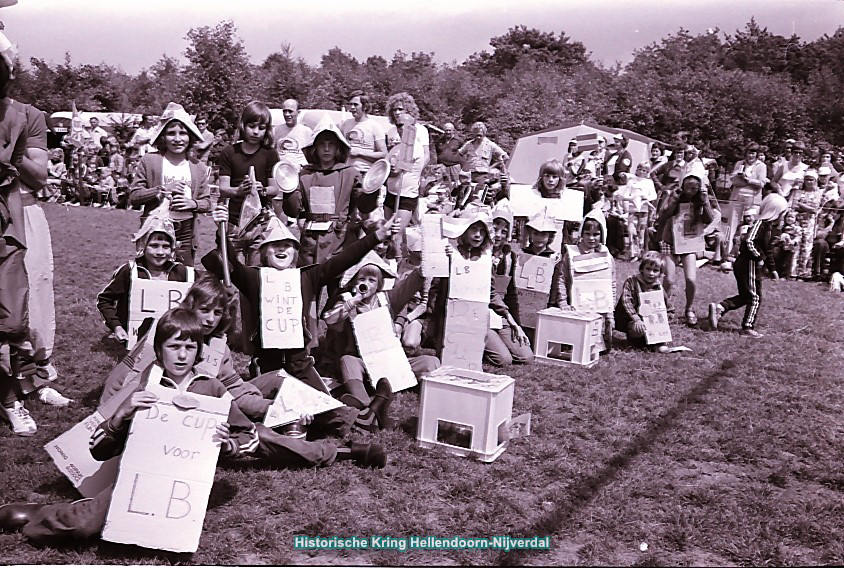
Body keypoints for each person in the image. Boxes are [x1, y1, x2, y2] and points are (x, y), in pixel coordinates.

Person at [0, 308, 386, 546]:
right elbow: (99, 451)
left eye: (189, 347)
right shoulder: (144, 388)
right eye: (173, 347)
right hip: (139, 476)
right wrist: (122, 416)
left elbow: (244, 437)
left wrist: (230, 446)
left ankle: (345, 449)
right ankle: (39, 514)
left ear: (199, 351)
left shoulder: (212, 388)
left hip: (185, 484)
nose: (181, 355)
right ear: (160, 350)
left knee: (265, 439)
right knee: (84, 528)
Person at [203, 206, 399, 387]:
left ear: (295, 253)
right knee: (274, 411)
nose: (281, 249)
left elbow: (344, 259)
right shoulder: (253, 278)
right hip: (267, 363)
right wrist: (222, 229)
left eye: (287, 245)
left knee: (327, 410)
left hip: (300, 363)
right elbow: (232, 264)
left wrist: (377, 236)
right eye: (275, 245)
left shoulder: (307, 277)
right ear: (264, 253)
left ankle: (366, 413)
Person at [321, 253, 439, 430]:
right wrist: (353, 301)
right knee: (347, 361)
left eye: (371, 280)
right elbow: (330, 320)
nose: (366, 284)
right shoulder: (346, 301)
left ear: (378, 284)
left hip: (390, 363)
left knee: (431, 362)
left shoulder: (387, 299)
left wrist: (431, 258)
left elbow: (411, 282)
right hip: (362, 364)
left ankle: (433, 401)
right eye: (362, 279)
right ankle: (366, 405)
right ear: (353, 281)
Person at [283, 116, 378, 267]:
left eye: (331, 145)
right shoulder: (305, 175)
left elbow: (364, 206)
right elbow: (292, 210)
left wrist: (373, 188)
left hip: (339, 239)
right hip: (310, 240)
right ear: (315, 147)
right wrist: (287, 190)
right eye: (322, 145)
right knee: (308, 282)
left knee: (337, 282)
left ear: (338, 147)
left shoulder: (350, 174)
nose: (326, 149)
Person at [128, 103, 211, 266]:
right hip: (155, 230)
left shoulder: (198, 166)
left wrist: (192, 203)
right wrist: (161, 190)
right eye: (171, 133)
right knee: (152, 276)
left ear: (191, 137)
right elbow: (135, 196)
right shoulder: (150, 161)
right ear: (163, 137)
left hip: (186, 232)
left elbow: (207, 202)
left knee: (183, 277)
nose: (178, 139)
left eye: (183, 133)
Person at [96, 211, 193, 344]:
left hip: (171, 340)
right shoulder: (129, 271)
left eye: (166, 247)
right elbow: (105, 300)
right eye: (154, 246)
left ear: (172, 249)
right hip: (133, 339)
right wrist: (117, 327)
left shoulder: (182, 272)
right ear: (143, 246)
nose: (160, 252)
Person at [708, 193, 789, 338]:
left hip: (749, 264)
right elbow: (749, 241)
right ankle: (747, 327)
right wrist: (759, 257)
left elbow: (768, 250)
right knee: (755, 297)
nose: (783, 216)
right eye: (782, 213)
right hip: (748, 264)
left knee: (746, 296)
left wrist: (773, 269)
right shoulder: (761, 225)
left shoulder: (770, 228)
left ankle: (720, 308)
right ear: (774, 212)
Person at [217, 101, 279, 264]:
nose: (256, 132)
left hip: (261, 223)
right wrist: (238, 191)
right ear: (243, 125)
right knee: (234, 271)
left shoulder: (270, 154)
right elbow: (222, 188)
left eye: (261, 128)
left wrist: (263, 189)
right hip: (234, 222)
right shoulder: (229, 152)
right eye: (252, 126)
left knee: (256, 273)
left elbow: (275, 189)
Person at [653, 172, 716, 325]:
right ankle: (665, 308)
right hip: (670, 242)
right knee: (668, 279)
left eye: (694, 188)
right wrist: (674, 198)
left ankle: (689, 308)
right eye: (687, 188)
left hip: (689, 243)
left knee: (691, 279)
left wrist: (705, 200)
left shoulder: (700, 201)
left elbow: (710, 219)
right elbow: (664, 215)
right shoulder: (675, 196)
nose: (690, 191)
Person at [556, 210, 616, 351]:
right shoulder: (571, 254)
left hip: (598, 306)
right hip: (575, 304)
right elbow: (562, 279)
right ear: (581, 234)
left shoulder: (607, 256)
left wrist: (610, 312)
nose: (591, 238)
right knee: (575, 344)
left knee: (594, 346)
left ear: (602, 235)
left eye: (596, 234)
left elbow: (611, 284)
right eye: (587, 234)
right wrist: (563, 302)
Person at [488, 204, 533, 366]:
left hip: (501, 315)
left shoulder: (510, 257)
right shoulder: (478, 254)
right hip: (481, 314)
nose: (498, 235)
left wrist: (517, 325)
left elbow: (511, 294)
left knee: (525, 356)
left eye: (504, 231)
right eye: (495, 229)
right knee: (504, 359)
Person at [385, 93, 430, 235]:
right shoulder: (391, 131)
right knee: (389, 231)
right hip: (391, 188)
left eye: (401, 109)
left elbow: (424, 155)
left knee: (400, 230)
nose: (397, 112)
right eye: (394, 110)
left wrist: (412, 172)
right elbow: (389, 157)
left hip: (407, 188)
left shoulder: (419, 131)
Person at [614, 252, 670, 353]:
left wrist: (667, 317)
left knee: (660, 344)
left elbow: (666, 304)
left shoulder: (658, 287)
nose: (651, 273)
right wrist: (636, 319)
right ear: (642, 269)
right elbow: (626, 302)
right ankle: (634, 339)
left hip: (649, 319)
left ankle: (655, 342)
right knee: (638, 329)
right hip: (629, 317)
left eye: (655, 270)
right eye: (648, 269)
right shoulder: (631, 281)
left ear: (660, 274)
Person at [341, 91, 387, 175]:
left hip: (365, 172)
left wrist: (359, 152)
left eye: (355, 104)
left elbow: (383, 154)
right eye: (350, 104)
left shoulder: (375, 126)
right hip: (346, 171)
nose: (352, 107)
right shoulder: (346, 124)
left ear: (365, 106)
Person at [458, 122, 509, 191]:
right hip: (469, 175)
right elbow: (459, 154)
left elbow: (505, 157)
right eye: (476, 134)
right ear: (473, 133)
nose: (478, 137)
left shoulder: (490, 145)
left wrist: (491, 167)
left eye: (480, 135)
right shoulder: (468, 144)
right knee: (463, 194)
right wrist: (464, 165)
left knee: (478, 195)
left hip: (482, 175)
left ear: (484, 133)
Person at [273, 98, 312, 170]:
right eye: (284, 111)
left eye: (290, 111)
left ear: (298, 112)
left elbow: (311, 155)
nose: (287, 114)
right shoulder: (276, 130)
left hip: (300, 170)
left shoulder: (306, 131)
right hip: (281, 170)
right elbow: (272, 152)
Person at [730, 144, 768, 211]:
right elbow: (734, 181)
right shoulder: (739, 164)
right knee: (734, 220)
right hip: (737, 199)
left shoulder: (762, 166)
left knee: (750, 220)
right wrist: (751, 183)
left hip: (754, 201)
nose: (750, 156)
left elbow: (761, 184)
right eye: (749, 153)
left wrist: (746, 179)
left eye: (753, 153)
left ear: (757, 154)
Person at [435, 122, 463, 187]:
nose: (448, 132)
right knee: (443, 185)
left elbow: (463, 153)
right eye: (446, 130)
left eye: (449, 130)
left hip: (455, 167)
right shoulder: (439, 141)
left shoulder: (459, 140)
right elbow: (437, 152)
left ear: (453, 131)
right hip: (442, 167)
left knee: (456, 186)